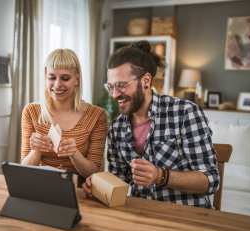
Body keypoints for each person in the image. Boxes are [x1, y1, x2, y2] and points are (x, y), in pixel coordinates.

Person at [83, 41, 219, 208]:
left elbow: (210, 180)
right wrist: (99, 184)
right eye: (110, 87)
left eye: (121, 85)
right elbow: (119, 181)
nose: (115, 94)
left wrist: (160, 176)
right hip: (140, 216)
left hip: (186, 216)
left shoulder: (185, 113)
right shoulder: (116, 129)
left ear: (146, 80)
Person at [21, 48, 108, 178]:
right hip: (40, 186)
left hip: (79, 191)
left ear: (76, 79)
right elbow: (24, 170)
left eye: (65, 78)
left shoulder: (97, 116)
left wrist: (74, 153)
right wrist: (35, 150)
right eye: (52, 77)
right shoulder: (31, 112)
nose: (57, 85)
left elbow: (94, 173)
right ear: (45, 77)